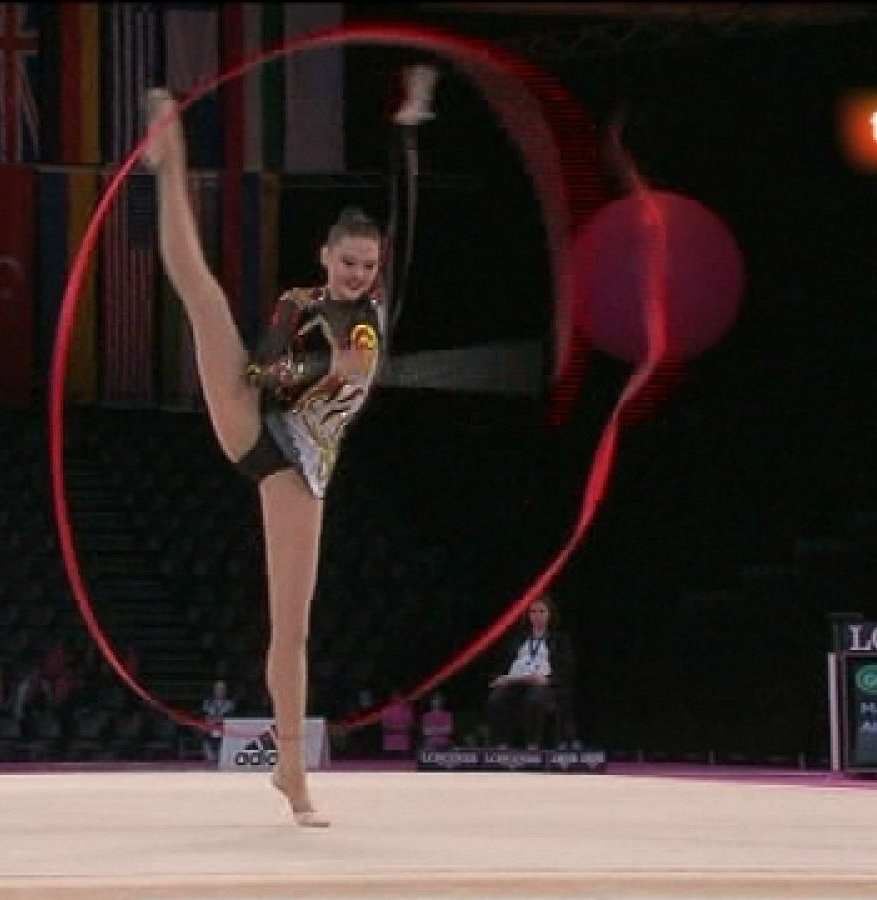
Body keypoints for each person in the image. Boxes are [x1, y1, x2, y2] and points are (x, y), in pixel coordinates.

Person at [144, 65, 438, 827]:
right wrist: (311, 365)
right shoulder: (300, 303)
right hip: (256, 423)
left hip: (301, 472)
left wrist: (408, 126)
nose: (357, 274)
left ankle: (291, 775)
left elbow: (408, 213)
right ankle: (169, 158)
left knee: (292, 630)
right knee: (203, 298)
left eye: (367, 266)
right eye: (347, 263)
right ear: (325, 257)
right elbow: (267, 369)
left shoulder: (374, 315)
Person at [486, 595, 575, 750]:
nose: (537, 616)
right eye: (533, 611)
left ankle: (532, 745)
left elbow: (566, 668)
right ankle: (500, 745)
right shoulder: (518, 638)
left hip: (542, 682)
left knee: (534, 699)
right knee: (496, 699)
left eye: (542, 611)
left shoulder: (559, 639)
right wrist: (500, 677)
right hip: (515, 681)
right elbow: (504, 662)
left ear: (550, 614)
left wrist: (549, 680)